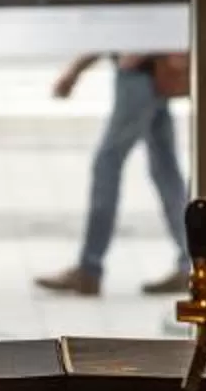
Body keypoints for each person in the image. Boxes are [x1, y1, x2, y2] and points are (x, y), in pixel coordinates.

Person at [36, 50, 192, 298]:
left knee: (108, 163)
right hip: (152, 71)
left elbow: (116, 23)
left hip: (139, 72)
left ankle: (90, 267)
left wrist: (76, 70)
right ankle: (191, 262)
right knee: (165, 169)